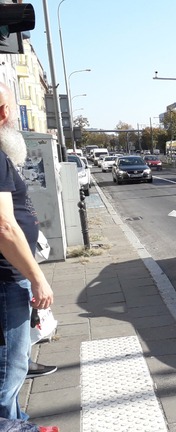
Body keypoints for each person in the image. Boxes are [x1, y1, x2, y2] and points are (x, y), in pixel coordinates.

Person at [0, 82, 55, 420]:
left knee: (11, 369)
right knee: (9, 371)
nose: (6, 113)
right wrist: (37, 278)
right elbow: (4, 227)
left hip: (7, 276)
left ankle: (18, 425)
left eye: (5, 105)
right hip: (7, 279)